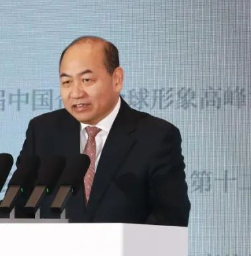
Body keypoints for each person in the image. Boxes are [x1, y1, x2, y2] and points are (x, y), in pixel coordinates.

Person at [17, 36, 190, 226]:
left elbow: (171, 217)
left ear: (117, 79)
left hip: (128, 246)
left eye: (86, 80)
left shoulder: (156, 137)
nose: (76, 93)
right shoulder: (43, 131)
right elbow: (18, 206)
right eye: (66, 82)